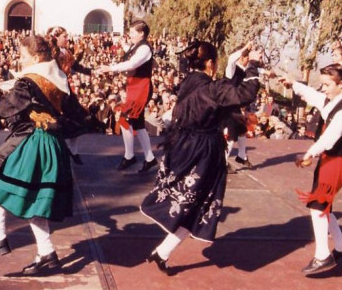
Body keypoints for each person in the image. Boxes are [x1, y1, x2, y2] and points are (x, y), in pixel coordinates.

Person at [139, 40, 263, 275]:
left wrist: (238, 67)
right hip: (204, 151)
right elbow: (243, 95)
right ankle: (164, 251)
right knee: (201, 204)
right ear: (210, 63)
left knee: (193, 204)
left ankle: (163, 252)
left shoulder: (191, 82)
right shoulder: (211, 88)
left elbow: (224, 94)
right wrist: (253, 65)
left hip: (184, 145)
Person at [0, 35, 84, 275]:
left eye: (23, 56)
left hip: (33, 144)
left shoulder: (30, 80)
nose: (20, 61)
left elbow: (7, 106)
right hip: (52, 145)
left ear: (35, 57)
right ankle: (46, 253)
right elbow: (78, 116)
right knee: (34, 200)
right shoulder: (59, 77)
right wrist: (55, 123)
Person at [280, 64, 342, 275]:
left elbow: (330, 136)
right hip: (330, 160)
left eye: (327, 84)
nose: (323, 88)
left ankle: (323, 256)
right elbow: (315, 97)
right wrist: (294, 84)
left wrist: (308, 154)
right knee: (324, 206)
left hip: (338, 162)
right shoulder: (335, 101)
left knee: (318, 206)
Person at [97, 20, 158, 174]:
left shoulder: (144, 48)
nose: (129, 35)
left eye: (132, 32)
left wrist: (110, 68)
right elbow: (128, 55)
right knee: (138, 124)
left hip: (141, 88)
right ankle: (149, 158)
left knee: (125, 119)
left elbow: (132, 64)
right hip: (135, 87)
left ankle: (130, 156)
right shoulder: (137, 46)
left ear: (141, 33)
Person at [46, 26, 92, 165]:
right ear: (56, 38)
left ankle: (73, 150)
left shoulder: (66, 51)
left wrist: (91, 72)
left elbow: (75, 66)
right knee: (57, 121)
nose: (67, 39)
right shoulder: (52, 52)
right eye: (64, 36)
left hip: (66, 88)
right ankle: (57, 151)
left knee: (78, 118)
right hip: (55, 89)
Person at [223, 43, 253, 169]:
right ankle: (223, 162)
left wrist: (268, 73)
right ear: (242, 57)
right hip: (226, 105)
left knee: (241, 130)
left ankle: (242, 156)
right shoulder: (232, 69)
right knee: (231, 134)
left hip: (234, 104)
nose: (248, 61)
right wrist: (245, 48)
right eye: (247, 58)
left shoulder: (244, 71)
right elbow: (231, 58)